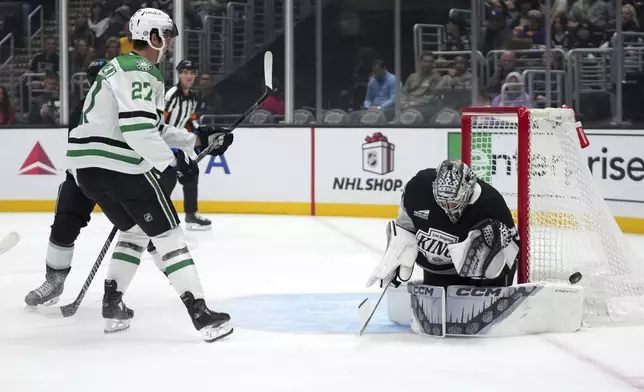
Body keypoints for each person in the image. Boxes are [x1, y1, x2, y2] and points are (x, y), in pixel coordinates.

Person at [65, 8, 233, 342]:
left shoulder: (119, 68)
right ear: (153, 38)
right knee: (169, 234)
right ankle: (201, 315)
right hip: (120, 167)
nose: (168, 44)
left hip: (88, 172)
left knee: (137, 231)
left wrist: (197, 139)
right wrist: (173, 163)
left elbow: (150, 125)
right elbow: (138, 130)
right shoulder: (142, 69)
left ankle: (113, 306)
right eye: (166, 36)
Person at [24, 59, 109, 309]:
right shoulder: (82, 108)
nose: (99, 83)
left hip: (119, 176)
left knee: (144, 229)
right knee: (63, 225)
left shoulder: (125, 105)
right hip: (82, 174)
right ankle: (54, 282)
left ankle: (183, 288)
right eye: (95, 78)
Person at [366, 160, 519, 290]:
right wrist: (401, 243)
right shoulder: (419, 187)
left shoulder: (491, 202)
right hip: (437, 270)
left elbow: (513, 246)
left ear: (467, 191)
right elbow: (406, 221)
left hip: (477, 276)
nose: (447, 206)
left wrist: (496, 280)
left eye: (453, 201)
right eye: (442, 201)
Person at [164, 59, 211, 230]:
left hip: (180, 140)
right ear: (179, 74)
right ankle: (161, 216)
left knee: (191, 174)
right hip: (166, 140)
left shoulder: (193, 96)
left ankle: (191, 215)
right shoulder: (171, 95)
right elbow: (161, 118)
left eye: (192, 73)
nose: (189, 76)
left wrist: (198, 131)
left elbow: (190, 116)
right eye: (185, 72)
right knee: (167, 179)